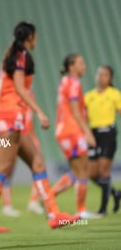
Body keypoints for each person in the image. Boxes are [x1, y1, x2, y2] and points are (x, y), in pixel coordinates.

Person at [0, 22, 80, 233]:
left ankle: (54, 215)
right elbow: (18, 88)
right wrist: (39, 112)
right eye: (36, 36)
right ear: (31, 36)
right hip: (10, 117)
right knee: (3, 168)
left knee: (38, 164)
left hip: (10, 118)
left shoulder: (13, 54)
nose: (36, 39)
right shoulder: (20, 55)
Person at [54, 66, 121, 215]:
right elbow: (81, 114)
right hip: (93, 134)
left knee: (103, 171)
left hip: (108, 134)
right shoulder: (89, 96)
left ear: (110, 79)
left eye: (105, 75)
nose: (101, 77)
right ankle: (115, 193)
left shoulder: (115, 94)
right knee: (89, 172)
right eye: (99, 74)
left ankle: (103, 209)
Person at [53, 54, 99, 219]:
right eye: (81, 63)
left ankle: (48, 198)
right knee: (82, 171)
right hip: (72, 131)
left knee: (76, 171)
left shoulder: (64, 82)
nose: (84, 66)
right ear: (71, 66)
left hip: (63, 131)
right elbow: (76, 111)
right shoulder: (73, 83)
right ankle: (81, 210)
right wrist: (87, 133)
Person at [1, 91, 43, 217]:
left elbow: (30, 120)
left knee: (39, 167)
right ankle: (6, 206)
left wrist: (33, 137)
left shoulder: (30, 94)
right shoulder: (11, 95)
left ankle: (34, 202)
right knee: (6, 170)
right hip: (13, 135)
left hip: (28, 136)